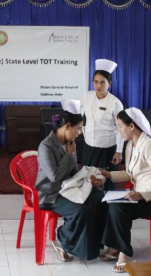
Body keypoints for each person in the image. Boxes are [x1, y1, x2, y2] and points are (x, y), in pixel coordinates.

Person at [99, 108, 151, 273]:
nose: (118, 130)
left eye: (119, 126)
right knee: (109, 203)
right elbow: (131, 173)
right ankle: (114, 247)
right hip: (141, 196)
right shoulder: (131, 144)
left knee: (119, 207)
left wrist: (141, 194)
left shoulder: (150, 146)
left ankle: (124, 253)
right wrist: (108, 174)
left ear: (131, 126)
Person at [35, 101, 104, 261]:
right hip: (50, 194)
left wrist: (88, 179)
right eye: (78, 128)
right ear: (67, 126)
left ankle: (92, 246)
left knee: (98, 200)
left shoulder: (69, 144)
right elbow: (53, 176)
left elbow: (73, 173)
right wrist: (68, 155)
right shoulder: (46, 146)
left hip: (67, 189)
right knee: (81, 211)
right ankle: (62, 238)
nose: (80, 133)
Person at [82, 59, 124, 180]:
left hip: (107, 148)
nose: (98, 86)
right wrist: (81, 128)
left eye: (102, 82)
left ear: (109, 83)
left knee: (105, 181)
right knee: (88, 179)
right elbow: (81, 114)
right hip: (89, 145)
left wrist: (119, 151)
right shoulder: (87, 96)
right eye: (95, 82)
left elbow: (121, 129)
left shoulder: (115, 103)